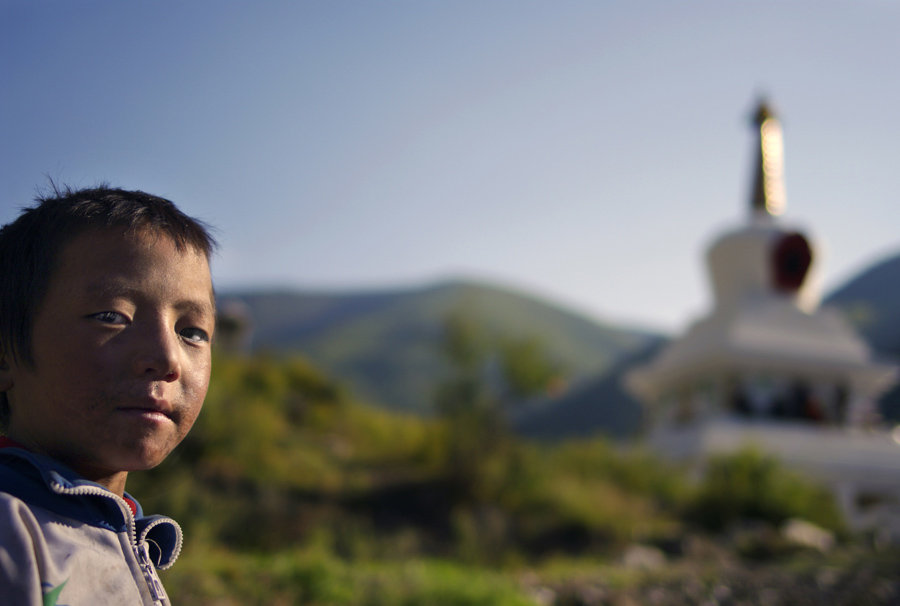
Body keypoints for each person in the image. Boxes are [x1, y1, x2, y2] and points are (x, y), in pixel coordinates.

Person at [0, 184, 217, 605]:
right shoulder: (11, 528)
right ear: (4, 355)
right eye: (111, 317)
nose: (166, 358)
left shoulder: (128, 534)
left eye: (191, 331)